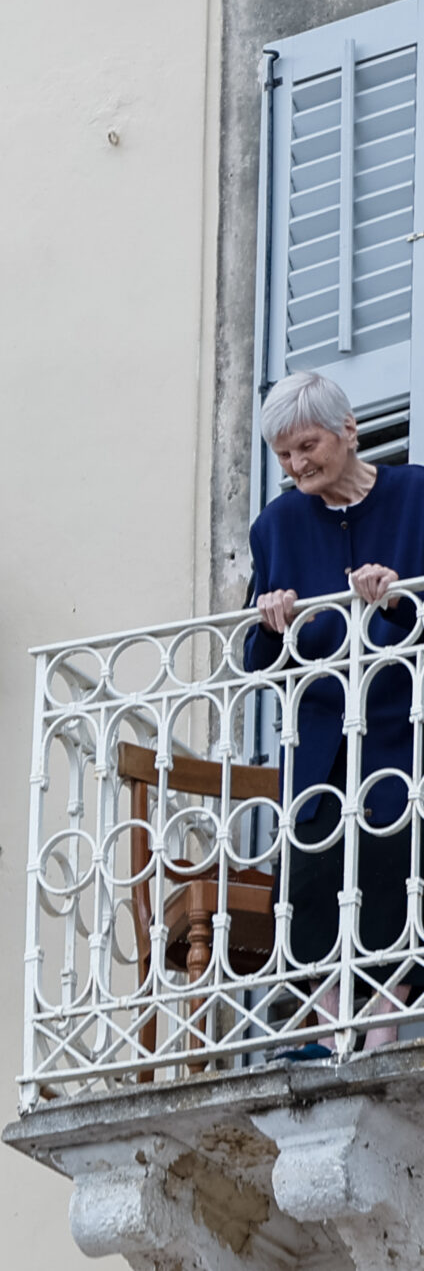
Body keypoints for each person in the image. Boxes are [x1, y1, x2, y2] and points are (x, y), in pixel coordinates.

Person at [246, 370, 424, 1052]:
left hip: (403, 732)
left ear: (348, 430)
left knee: (397, 869)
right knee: (313, 880)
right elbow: (257, 663)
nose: (296, 465)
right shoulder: (277, 526)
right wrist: (270, 622)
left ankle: (374, 1032)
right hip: (320, 746)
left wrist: (398, 600)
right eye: (284, 455)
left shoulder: (415, 497)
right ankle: (332, 1034)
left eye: (307, 445)